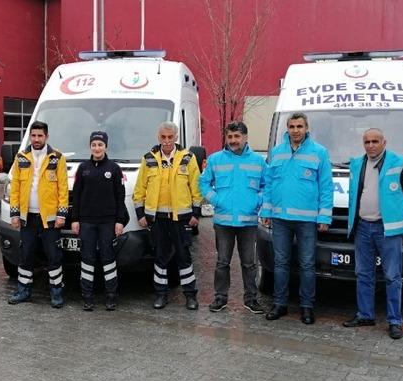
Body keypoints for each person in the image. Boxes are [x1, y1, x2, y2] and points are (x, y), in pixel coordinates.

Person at [343, 128, 403, 340]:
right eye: (367, 142)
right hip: (362, 227)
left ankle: (395, 321)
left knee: (392, 276)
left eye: (375, 141)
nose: (370, 145)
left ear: (384, 142)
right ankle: (365, 315)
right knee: (363, 273)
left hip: (388, 229)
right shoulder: (357, 163)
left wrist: (396, 211)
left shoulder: (399, 162)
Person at [260, 112, 333, 324]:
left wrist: (324, 216)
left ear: (306, 128)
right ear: (287, 129)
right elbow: (269, 185)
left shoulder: (319, 152)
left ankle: (307, 307)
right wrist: (266, 211)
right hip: (280, 218)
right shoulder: (277, 152)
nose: (295, 130)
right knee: (280, 263)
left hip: (307, 220)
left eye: (299, 126)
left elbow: (326, 187)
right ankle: (279, 304)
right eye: (292, 126)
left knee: (307, 264)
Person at [133, 122, 204, 310]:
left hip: (181, 218)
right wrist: (141, 214)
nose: (166, 141)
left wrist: (196, 213)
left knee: (184, 257)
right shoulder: (148, 159)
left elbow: (197, 188)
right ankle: (160, 295)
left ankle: (190, 295)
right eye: (163, 137)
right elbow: (139, 190)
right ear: (158, 137)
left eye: (170, 137)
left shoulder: (187, 158)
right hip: (157, 219)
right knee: (160, 258)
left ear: (176, 137)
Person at [198, 121, 266, 314]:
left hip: (248, 221)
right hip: (223, 221)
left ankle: (251, 299)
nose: (233, 140)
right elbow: (203, 183)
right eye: (230, 137)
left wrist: (257, 201)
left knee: (249, 263)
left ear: (245, 137)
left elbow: (267, 185)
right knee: (222, 262)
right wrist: (216, 200)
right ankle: (220, 298)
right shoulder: (215, 160)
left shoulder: (258, 161)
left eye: (237, 136)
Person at [7, 121, 70, 308]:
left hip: (49, 218)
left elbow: (63, 189)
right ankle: (23, 291)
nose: (36, 139)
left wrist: (62, 215)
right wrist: (14, 214)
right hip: (27, 217)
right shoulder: (21, 157)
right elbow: (15, 188)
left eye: (40, 136)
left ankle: (56, 293)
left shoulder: (57, 158)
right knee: (26, 255)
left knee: (53, 256)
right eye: (33, 135)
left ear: (46, 137)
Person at [70, 131, 129, 311]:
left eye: (100, 145)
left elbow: (120, 196)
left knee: (108, 259)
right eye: (94, 145)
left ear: (106, 147)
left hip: (108, 222)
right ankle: (87, 297)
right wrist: (75, 219)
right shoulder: (83, 168)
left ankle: (111, 296)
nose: (97, 148)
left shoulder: (114, 169)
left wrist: (119, 221)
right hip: (87, 222)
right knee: (87, 259)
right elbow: (76, 196)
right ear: (90, 147)